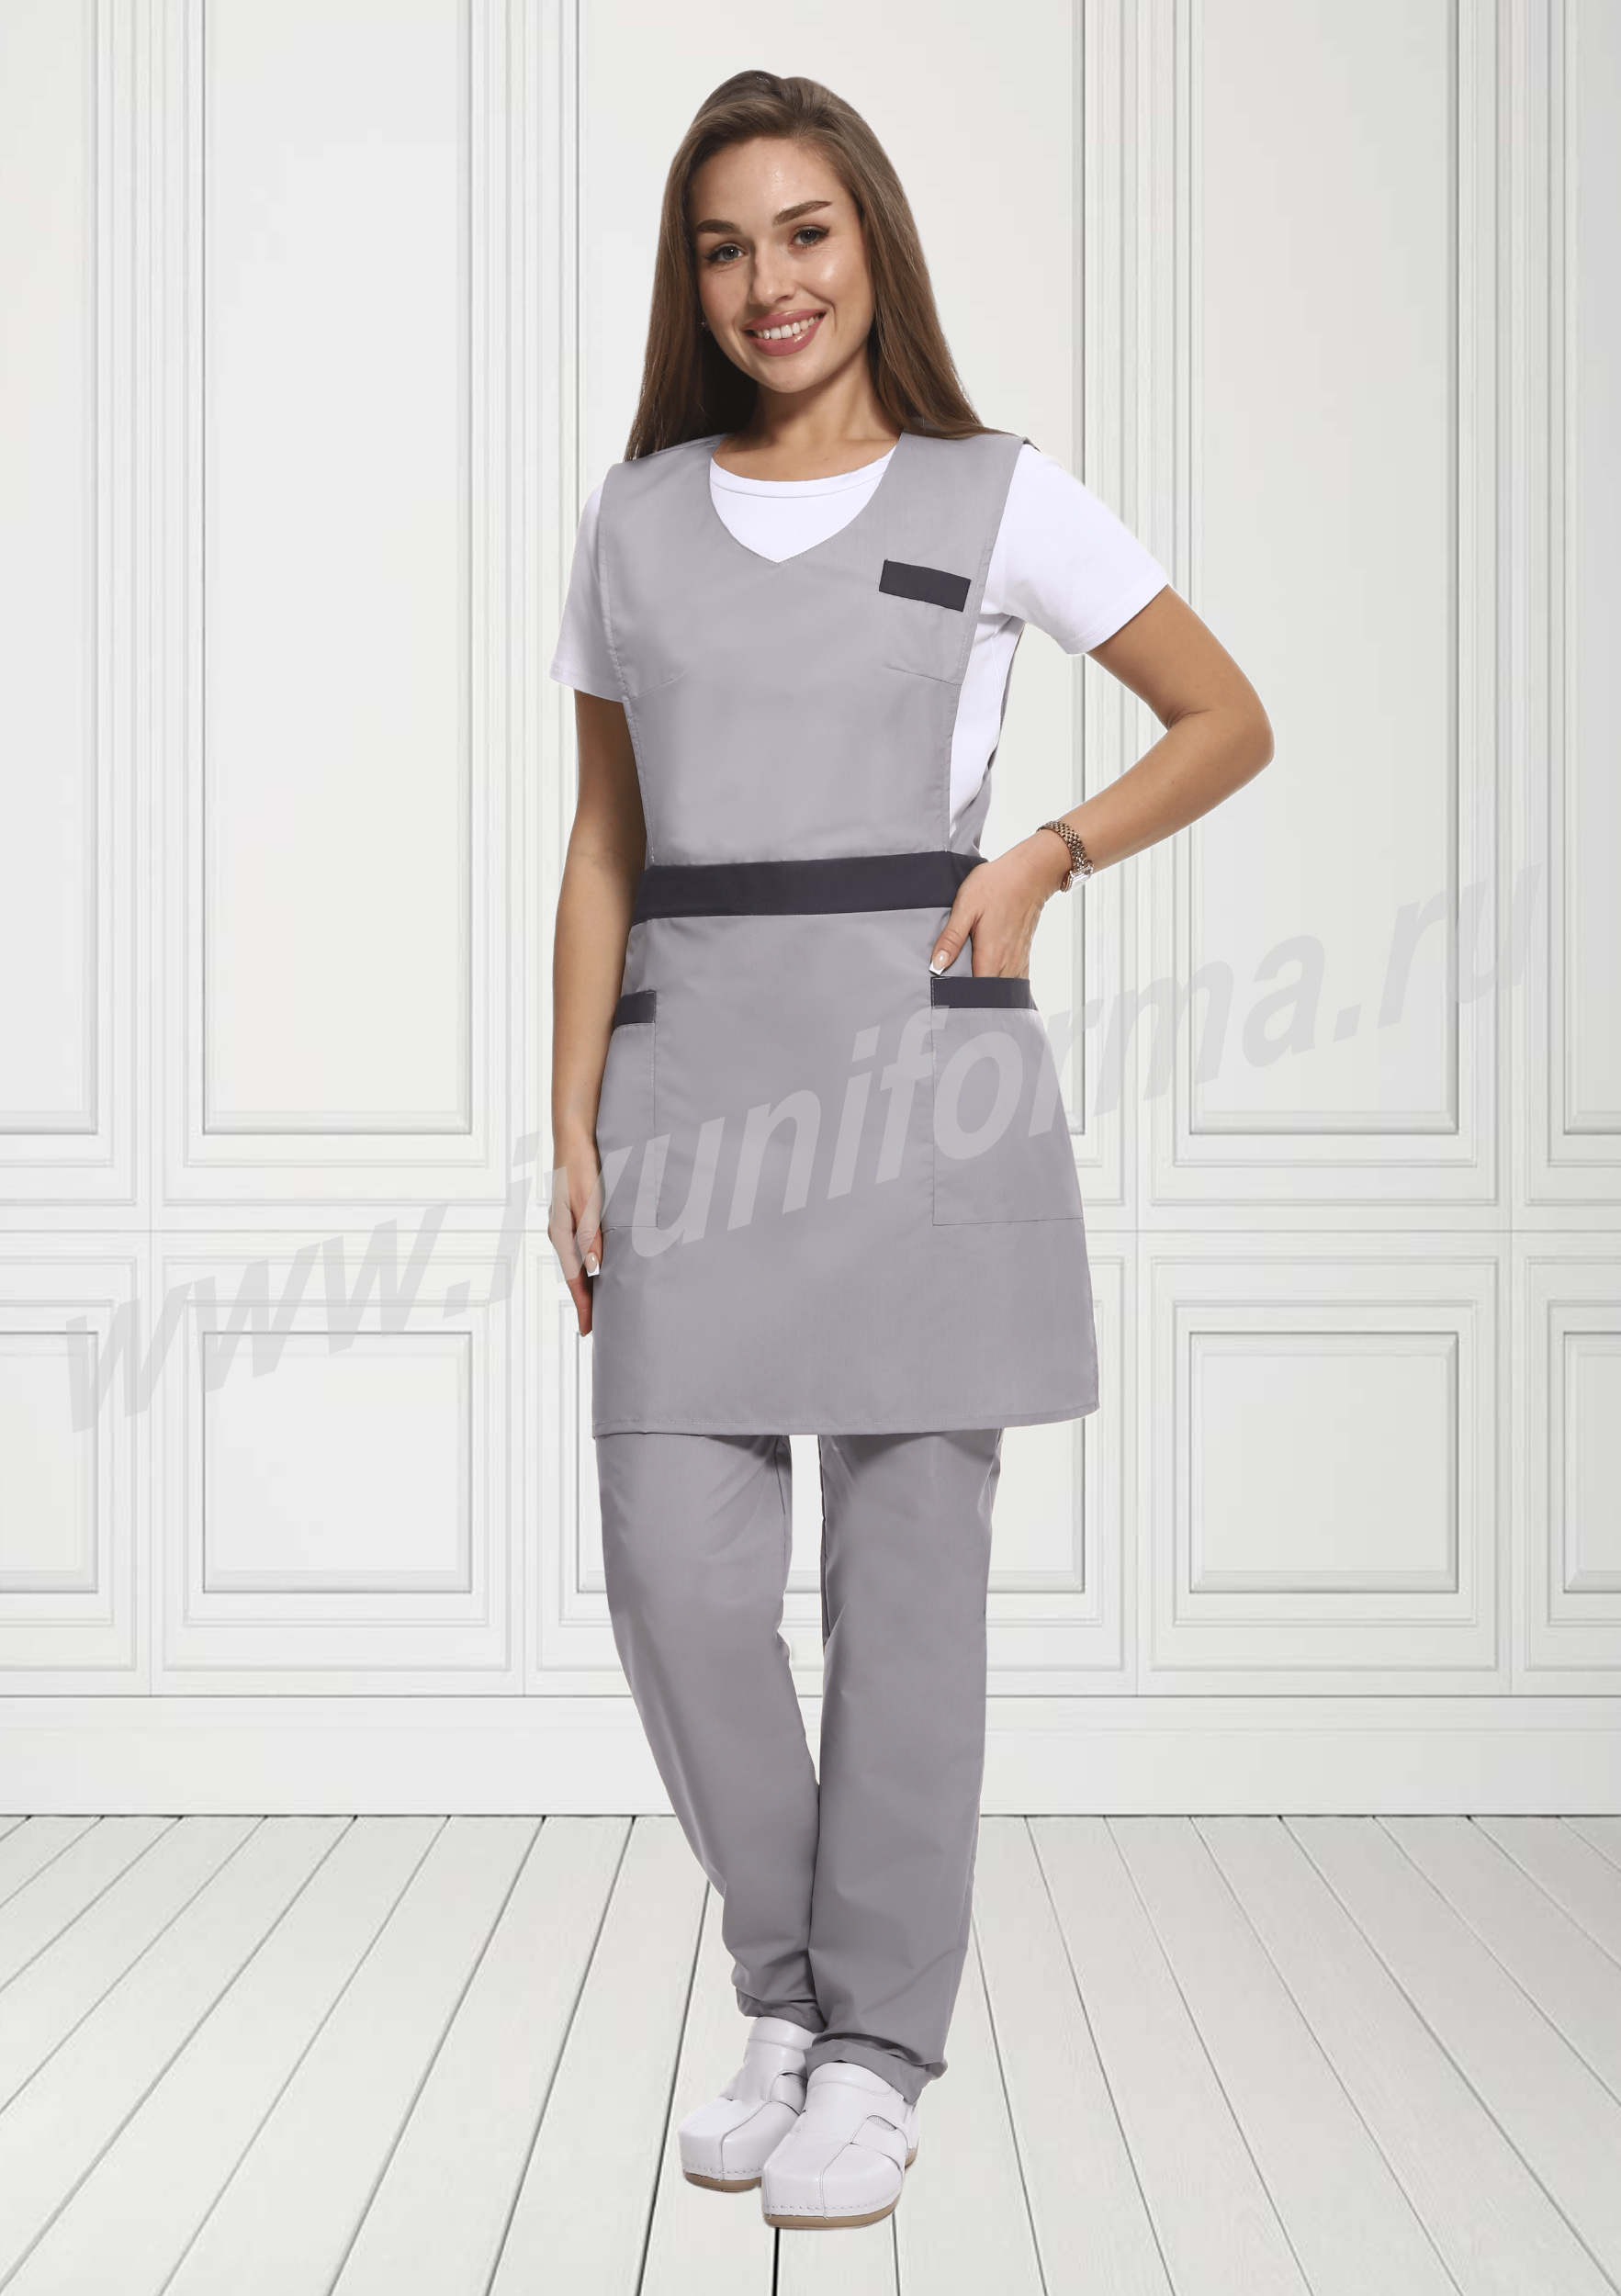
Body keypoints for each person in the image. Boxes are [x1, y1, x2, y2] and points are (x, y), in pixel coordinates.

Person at [547, 69, 1272, 2233]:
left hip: (918, 1085)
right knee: (674, 1576)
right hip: (689, 1092)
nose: (766, 281)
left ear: (869, 241)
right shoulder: (635, 520)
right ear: (690, 280)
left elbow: (1224, 715)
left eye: (803, 232)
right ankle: (790, 1987)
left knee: (908, 1602)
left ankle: (870, 2052)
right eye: (722, 246)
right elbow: (603, 842)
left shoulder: (994, 490)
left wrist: (1046, 853)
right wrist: (565, 1114)